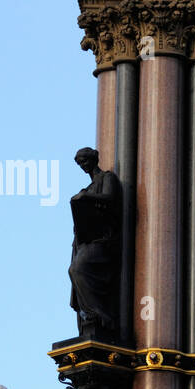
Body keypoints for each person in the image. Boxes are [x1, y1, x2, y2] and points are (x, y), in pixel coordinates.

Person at [68, 146, 123, 340]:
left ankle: (100, 314)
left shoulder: (106, 178)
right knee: (74, 270)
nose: (83, 166)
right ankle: (89, 315)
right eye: (79, 163)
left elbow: (109, 198)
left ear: (94, 159)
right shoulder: (88, 188)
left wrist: (86, 197)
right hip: (86, 239)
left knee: (78, 269)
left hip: (104, 239)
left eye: (84, 161)